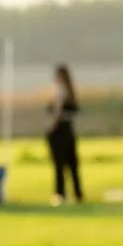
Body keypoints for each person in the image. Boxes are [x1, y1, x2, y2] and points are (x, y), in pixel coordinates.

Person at [47, 64, 82, 205]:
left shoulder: (60, 91)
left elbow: (57, 113)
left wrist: (51, 129)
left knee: (59, 164)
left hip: (60, 130)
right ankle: (78, 194)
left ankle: (60, 193)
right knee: (72, 164)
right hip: (69, 130)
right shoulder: (71, 92)